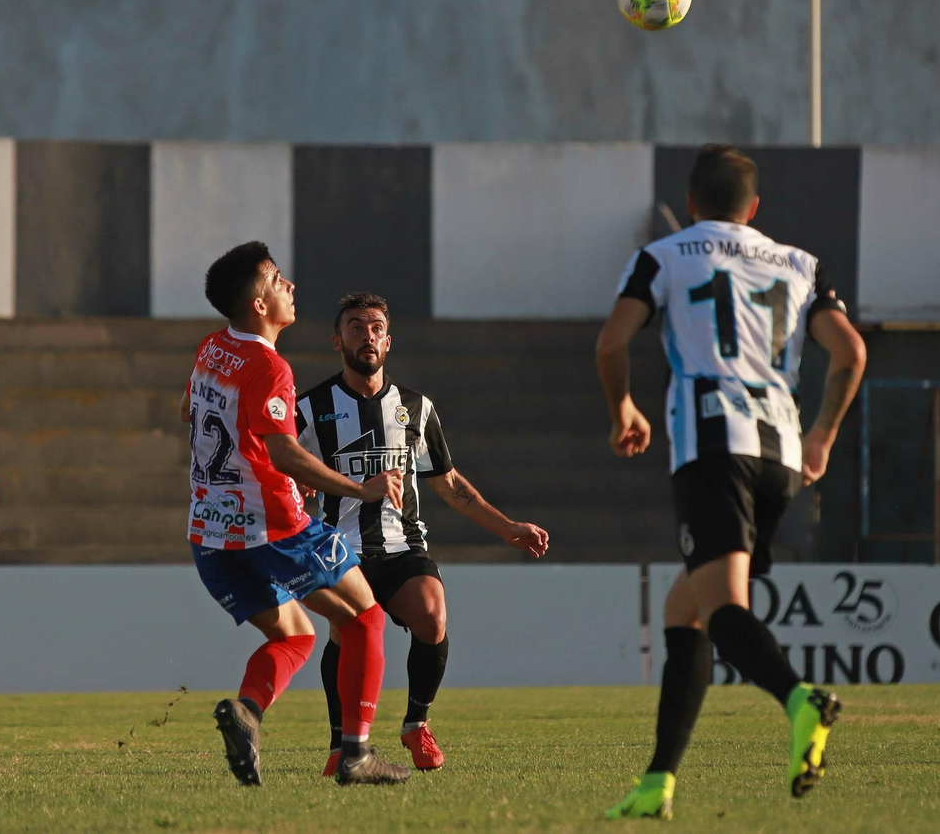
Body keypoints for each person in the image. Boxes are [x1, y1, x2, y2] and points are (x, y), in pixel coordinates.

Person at [596, 144, 867, 820]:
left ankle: (801, 699)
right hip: (781, 453)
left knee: (723, 610)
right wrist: (823, 434)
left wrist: (622, 408)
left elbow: (611, 342)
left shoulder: (664, 255)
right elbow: (850, 350)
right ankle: (657, 782)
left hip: (714, 445)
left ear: (691, 203)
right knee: (685, 610)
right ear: (754, 208)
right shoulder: (800, 264)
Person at [295, 292, 549, 774]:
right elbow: (278, 461)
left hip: (402, 545)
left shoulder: (416, 407)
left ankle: (416, 723)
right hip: (339, 547)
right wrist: (297, 483)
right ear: (337, 341)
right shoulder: (309, 408)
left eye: (375, 328)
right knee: (346, 636)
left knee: (433, 616)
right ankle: (340, 746)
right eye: (355, 327)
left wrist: (507, 528)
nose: (366, 336)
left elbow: (449, 484)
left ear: (388, 341)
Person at [187, 241, 411, 786]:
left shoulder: (212, 349)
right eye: (277, 279)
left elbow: (193, 416)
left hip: (211, 533)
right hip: (273, 528)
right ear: (259, 304)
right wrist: (361, 489)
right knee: (365, 618)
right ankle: (356, 754)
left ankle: (246, 712)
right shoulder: (270, 367)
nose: (289, 286)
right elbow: (285, 452)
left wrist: (261, 468)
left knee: (295, 637)